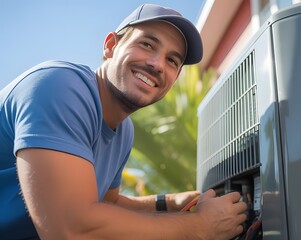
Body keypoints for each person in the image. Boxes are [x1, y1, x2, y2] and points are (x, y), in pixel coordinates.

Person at [0, 3, 247, 239]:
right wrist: (201, 226)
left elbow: (109, 203)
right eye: (147, 44)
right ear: (110, 46)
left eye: (172, 60)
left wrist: (170, 203)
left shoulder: (123, 130)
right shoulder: (59, 88)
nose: (157, 64)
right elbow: (71, 229)